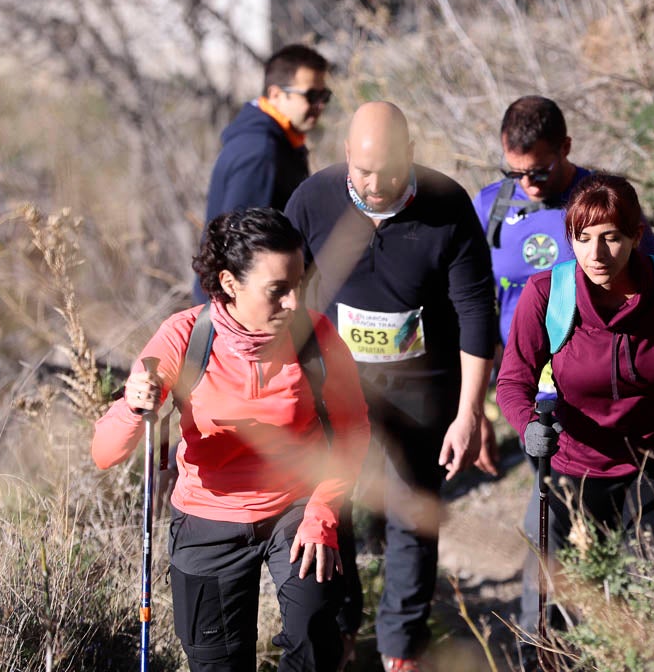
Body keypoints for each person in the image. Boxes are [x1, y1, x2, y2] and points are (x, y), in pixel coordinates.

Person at [92, 207, 371, 672]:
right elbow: (105, 453)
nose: (293, 304)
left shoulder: (317, 338)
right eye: (277, 291)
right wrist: (131, 406)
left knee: (315, 640)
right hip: (207, 518)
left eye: (299, 285)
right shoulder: (185, 338)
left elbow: (353, 431)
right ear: (229, 283)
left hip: (297, 505)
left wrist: (323, 510)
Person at [284, 102, 496, 672]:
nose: (376, 185)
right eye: (364, 171)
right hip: (333, 388)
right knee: (334, 504)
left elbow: (476, 310)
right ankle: (344, 626)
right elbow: (283, 292)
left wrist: (469, 413)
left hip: (420, 392)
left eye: (390, 170)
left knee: (410, 513)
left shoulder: (447, 205)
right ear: (348, 155)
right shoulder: (314, 200)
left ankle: (401, 646)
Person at [495, 173, 654, 661]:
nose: (597, 253)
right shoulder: (548, 293)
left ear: (636, 235)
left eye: (612, 237)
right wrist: (529, 425)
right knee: (551, 605)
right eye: (583, 238)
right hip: (572, 468)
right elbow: (513, 381)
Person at [472, 95, 654, 350]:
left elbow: (650, 282)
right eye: (514, 173)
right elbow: (471, 294)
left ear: (565, 147)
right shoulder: (489, 205)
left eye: (539, 172)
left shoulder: (607, 200)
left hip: (598, 367)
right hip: (521, 372)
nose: (527, 183)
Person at [196, 45, 332, 302]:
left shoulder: (280, 145)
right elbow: (240, 247)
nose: (320, 105)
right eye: (311, 95)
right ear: (276, 94)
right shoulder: (260, 153)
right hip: (243, 317)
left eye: (325, 95)